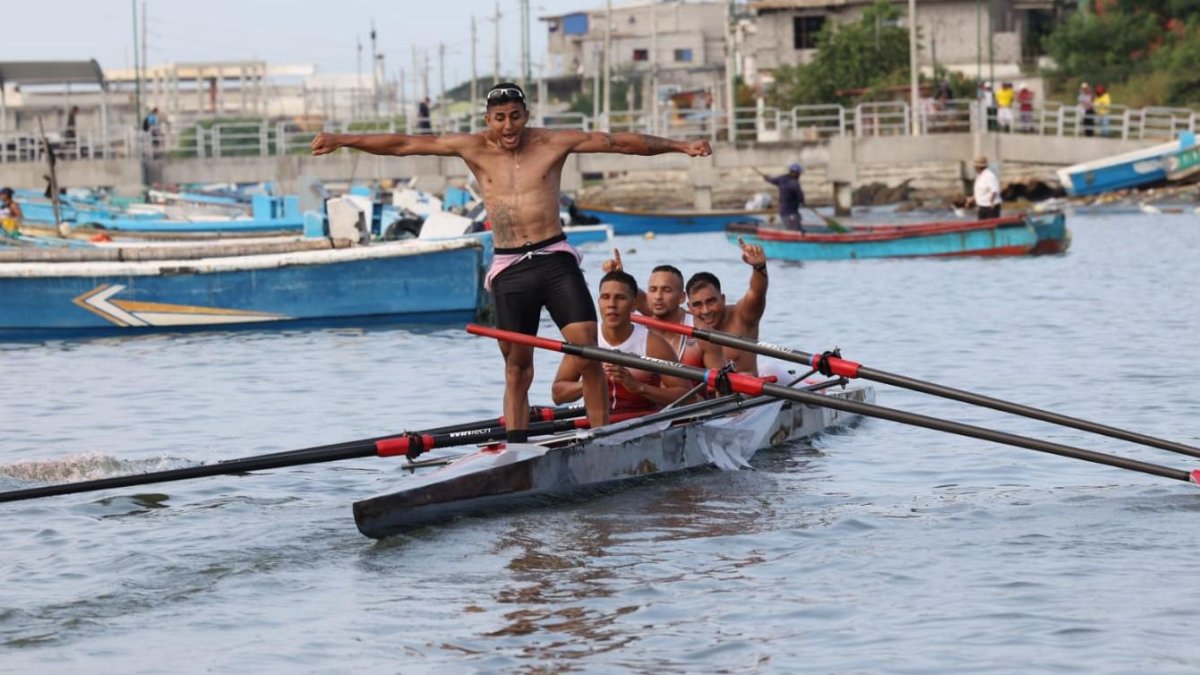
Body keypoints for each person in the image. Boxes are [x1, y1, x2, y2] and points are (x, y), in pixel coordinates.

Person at [311, 82, 712, 443]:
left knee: (588, 351)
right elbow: (404, 144)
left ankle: (600, 438)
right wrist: (343, 139)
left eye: (515, 117)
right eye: (500, 118)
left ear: (526, 115)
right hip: (510, 267)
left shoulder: (552, 142)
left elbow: (618, 143)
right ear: (488, 120)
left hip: (555, 258)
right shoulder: (472, 147)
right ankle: (516, 447)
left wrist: (679, 146)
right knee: (517, 366)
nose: (508, 127)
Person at [551, 270, 693, 414]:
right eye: (606, 297)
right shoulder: (586, 339)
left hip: (646, 425)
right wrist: (593, 379)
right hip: (599, 422)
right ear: (599, 302)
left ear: (634, 304)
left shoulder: (653, 343)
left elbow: (688, 396)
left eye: (620, 298)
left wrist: (638, 387)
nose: (612, 304)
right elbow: (558, 394)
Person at [684, 237, 768, 375]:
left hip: (747, 392)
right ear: (689, 307)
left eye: (711, 301)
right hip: (709, 392)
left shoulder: (742, 316)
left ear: (722, 299)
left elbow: (757, 293)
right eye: (697, 305)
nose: (705, 311)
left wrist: (759, 267)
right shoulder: (685, 322)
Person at [758, 163, 805, 231]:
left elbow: (772, 180)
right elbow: (800, 197)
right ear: (796, 173)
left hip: (783, 211)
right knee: (794, 230)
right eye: (799, 174)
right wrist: (802, 202)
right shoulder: (794, 183)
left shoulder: (782, 179)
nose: (799, 176)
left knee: (793, 227)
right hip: (790, 213)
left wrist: (767, 178)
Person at [965, 155, 1001, 219]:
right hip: (982, 206)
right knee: (982, 226)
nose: (974, 167)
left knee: (991, 226)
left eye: (975, 166)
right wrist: (972, 199)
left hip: (990, 207)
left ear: (978, 167)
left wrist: (991, 201)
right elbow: (980, 191)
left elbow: (994, 190)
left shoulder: (989, 175)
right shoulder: (979, 176)